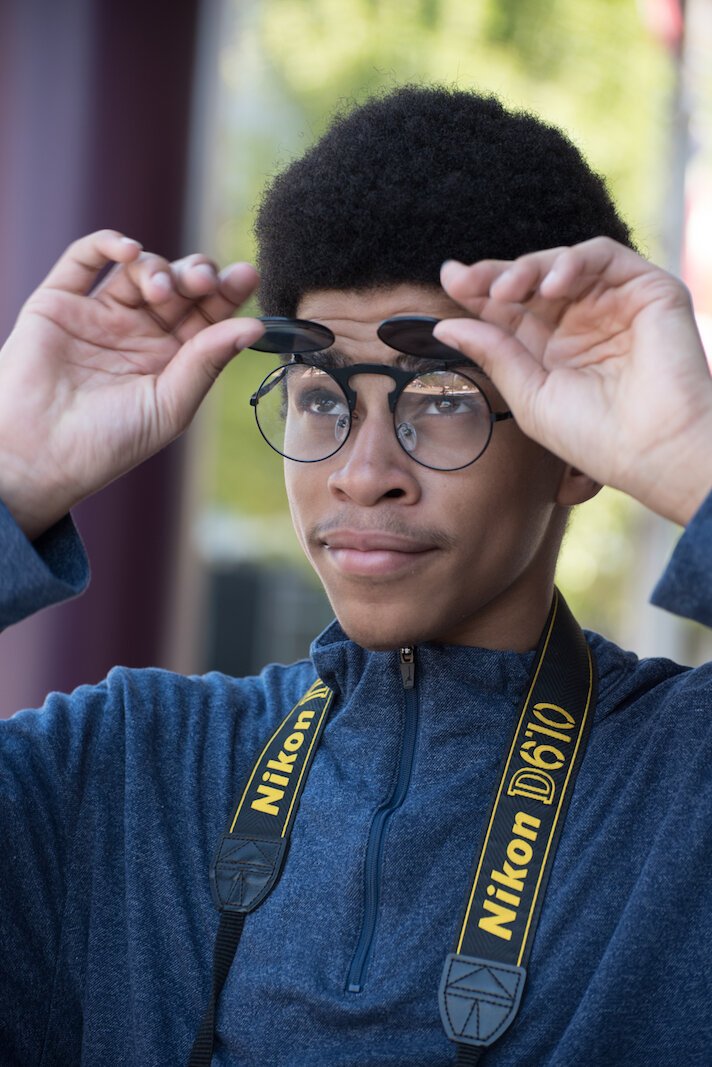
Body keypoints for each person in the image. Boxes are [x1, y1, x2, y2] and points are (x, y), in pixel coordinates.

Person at [1, 85, 711, 1067]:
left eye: (442, 398)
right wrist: (12, 471)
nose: (362, 471)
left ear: (570, 446)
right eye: (320, 397)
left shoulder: (682, 783)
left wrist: (689, 452)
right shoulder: (118, 771)